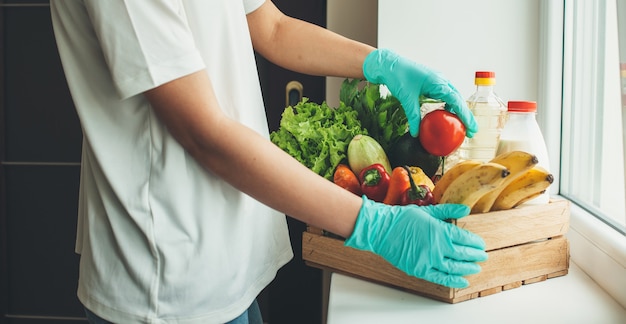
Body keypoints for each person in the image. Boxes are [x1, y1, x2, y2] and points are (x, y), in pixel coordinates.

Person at [50, 1, 487, 323]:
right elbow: (205, 135)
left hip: (228, 265)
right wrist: (373, 224)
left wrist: (379, 63)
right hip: (165, 280)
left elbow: (271, 27)